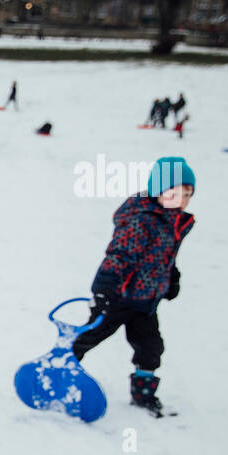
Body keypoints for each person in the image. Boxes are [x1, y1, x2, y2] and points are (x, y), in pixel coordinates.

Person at [72, 156, 196, 418]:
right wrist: (106, 289)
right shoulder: (143, 219)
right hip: (118, 296)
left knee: (151, 348)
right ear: (158, 191)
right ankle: (62, 368)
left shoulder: (174, 222)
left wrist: (171, 278)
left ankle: (143, 392)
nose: (182, 199)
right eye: (175, 192)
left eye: (187, 194)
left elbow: (165, 256)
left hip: (146, 301)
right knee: (90, 336)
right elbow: (119, 255)